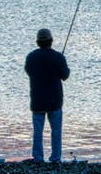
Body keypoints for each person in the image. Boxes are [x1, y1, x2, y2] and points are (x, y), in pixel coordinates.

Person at [24, 27, 70, 163]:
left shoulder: (31, 57)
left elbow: (28, 71)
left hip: (37, 101)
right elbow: (65, 75)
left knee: (38, 132)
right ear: (51, 41)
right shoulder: (58, 57)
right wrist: (62, 64)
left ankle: (38, 158)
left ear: (38, 42)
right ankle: (55, 158)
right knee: (56, 132)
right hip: (55, 101)